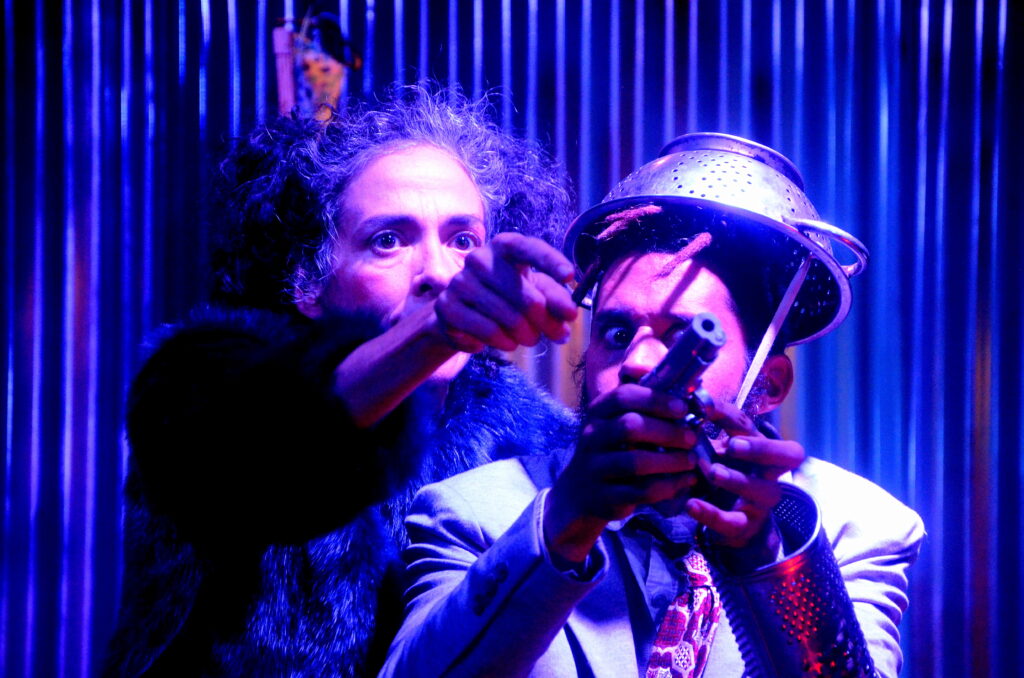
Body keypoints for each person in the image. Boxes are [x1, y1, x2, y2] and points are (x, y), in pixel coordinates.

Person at [381, 134, 925, 678]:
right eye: (617, 334)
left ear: (771, 383)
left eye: (682, 335)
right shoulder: (473, 512)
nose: (638, 362)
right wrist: (565, 525)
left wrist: (765, 561)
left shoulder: (856, 527)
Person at [102, 86, 581, 677]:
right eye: (388, 241)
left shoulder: (541, 442)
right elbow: (275, 437)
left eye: (463, 241)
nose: (438, 273)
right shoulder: (196, 379)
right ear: (307, 278)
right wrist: (434, 330)